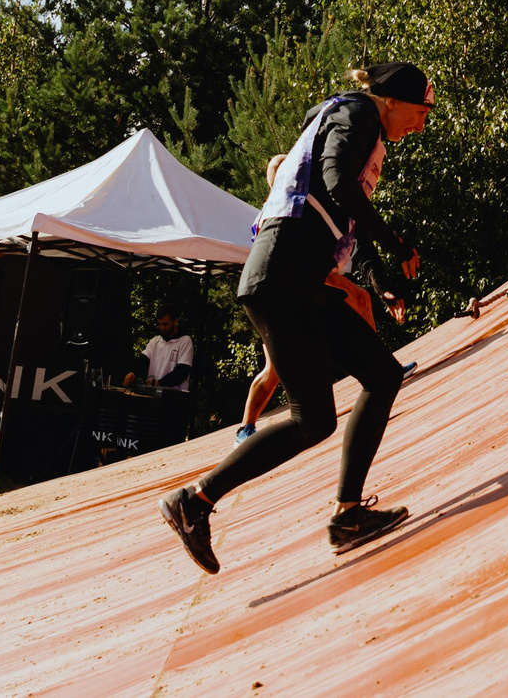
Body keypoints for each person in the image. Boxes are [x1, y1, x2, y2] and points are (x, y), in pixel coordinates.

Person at [160, 64, 429, 571]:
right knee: (314, 419)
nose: (418, 126)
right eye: (418, 114)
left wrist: (378, 273)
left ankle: (348, 515)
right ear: (391, 101)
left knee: (381, 374)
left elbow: (344, 215)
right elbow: (336, 184)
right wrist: (397, 241)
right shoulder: (358, 115)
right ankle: (194, 502)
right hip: (282, 279)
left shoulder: (350, 120)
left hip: (298, 280)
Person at [235, 142, 399, 443]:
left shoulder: (292, 204)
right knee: (273, 372)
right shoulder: (278, 212)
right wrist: (344, 283)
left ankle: (382, 366)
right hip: (282, 296)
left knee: (360, 300)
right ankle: (245, 428)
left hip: (298, 290)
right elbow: (291, 264)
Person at [123, 309, 194, 398]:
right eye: (159, 324)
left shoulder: (185, 341)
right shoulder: (155, 341)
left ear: (175, 321)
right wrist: (133, 373)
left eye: (165, 324)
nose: (162, 328)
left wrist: (160, 383)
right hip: (153, 396)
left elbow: (182, 371)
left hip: (174, 398)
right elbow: (143, 361)